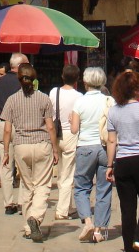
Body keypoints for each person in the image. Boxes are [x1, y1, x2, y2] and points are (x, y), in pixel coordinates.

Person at [0, 63, 58, 243]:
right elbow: (50, 126)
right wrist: (55, 148)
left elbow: (7, 130)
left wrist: (7, 152)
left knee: (26, 185)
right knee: (42, 185)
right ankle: (35, 217)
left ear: (19, 79)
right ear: (35, 79)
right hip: (42, 145)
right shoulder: (44, 99)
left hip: (21, 146)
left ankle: (27, 226)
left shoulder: (11, 100)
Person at [106, 68, 139, 252]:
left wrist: (109, 164)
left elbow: (112, 140)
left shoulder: (113, 112)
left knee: (127, 208)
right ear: (136, 90)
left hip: (122, 161)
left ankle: (129, 247)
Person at [71, 67, 114, 244]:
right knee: (104, 189)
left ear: (85, 82)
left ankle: (87, 221)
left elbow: (74, 129)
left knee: (81, 187)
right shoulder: (109, 100)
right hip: (105, 148)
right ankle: (99, 230)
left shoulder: (79, 102)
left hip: (85, 147)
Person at [0, 52, 28, 215]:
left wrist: (0, 124)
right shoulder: (23, 82)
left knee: (6, 164)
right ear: (19, 66)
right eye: (26, 64)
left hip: (4, 124)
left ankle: (8, 203)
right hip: (20, 125)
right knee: (23, 164)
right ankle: (22, 200)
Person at [50, 65, 82, 220]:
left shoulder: (53, 92)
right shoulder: (79, 97)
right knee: (68, 174)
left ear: (62, 76)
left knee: (61, 171)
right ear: (77, 79)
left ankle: (67, 207)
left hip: (56, 133)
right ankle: (62, 210)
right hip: (71, 133)